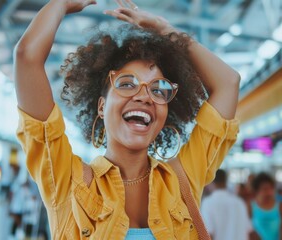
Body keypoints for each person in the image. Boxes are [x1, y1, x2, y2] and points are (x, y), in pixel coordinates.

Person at [14, 0, 240, 238]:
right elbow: (27, 57)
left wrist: (166, 30)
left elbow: (228, 83)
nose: (144, 96)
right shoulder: (68, 182)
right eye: (127, 84)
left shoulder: (183, 178)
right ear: (102, 106)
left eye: (158, 89)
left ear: (165, 114)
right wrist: (60, 4)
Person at [201, 169, 252, 240]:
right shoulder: (239, 202)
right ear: (225, 181)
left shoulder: (207, 203)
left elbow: (208, 234)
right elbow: (249, 231)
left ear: (210, 181)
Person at [251, 173, 282, 240]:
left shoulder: (281, 206)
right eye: (265, 189)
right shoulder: (251, 206)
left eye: (271, 188)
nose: (269, 192)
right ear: (257, 191)